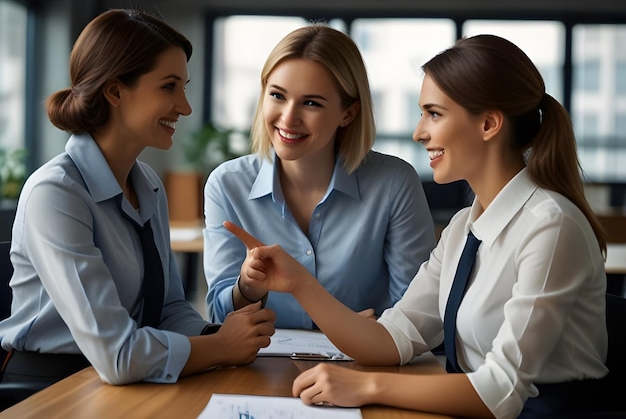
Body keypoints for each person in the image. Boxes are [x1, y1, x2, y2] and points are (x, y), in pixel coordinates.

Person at [224, 34, 615, 418]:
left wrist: (367, 386)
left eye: (434, 113)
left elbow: (501, 392)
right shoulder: (466, 226)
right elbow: (394, 339)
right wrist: (299, 283)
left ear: (489, 124)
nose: (419, 132)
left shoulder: (550, 225)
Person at [0, 8, 275, 389]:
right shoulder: (56, 193)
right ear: (115, 91)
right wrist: (221, 348)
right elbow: (117, 356)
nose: (185, 106)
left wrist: (220, 334)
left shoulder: (147, 183)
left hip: (125, 381)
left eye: (184, 87)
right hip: (51, 387)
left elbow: (169, 309)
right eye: (169, 87)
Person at [203, 24, 436, 329]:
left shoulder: (394, 184)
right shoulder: (227, 184)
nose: (288, 118)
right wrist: (247, 287)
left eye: (311, 103)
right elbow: (219, 320)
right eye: (277, 96)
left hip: (365, 368)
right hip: (258, 370)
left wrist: (371, 333)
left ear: (348, 113)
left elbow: (418, 315)